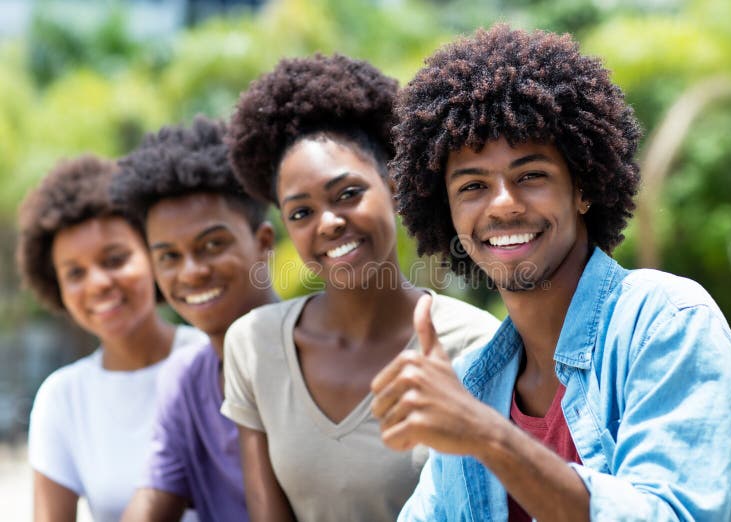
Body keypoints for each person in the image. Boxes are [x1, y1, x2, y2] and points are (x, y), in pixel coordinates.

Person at [371, 24, 731, 521]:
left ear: (582, 188)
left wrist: (490, 437)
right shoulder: (473, 384)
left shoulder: (668, 323)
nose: (503, 204)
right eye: (472, 186)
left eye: (531, 176)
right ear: (446, 213)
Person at [221, 53, 500, 522]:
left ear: (393, 185)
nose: (328, 222)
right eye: (301, 212)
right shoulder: (253, 345)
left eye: (348, 194)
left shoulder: (474, 340)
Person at [17, 155, 207, 522]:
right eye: (75, 273)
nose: (98, 283)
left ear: (155, 255)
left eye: (115, 259)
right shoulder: (63, 398)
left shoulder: (215, 359)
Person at [109, 116, 280, 521]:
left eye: (212, 245)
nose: (190, 272)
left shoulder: (326, 350)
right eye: (168, 256)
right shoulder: (186, 379)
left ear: (263, 243)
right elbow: (152, 501)